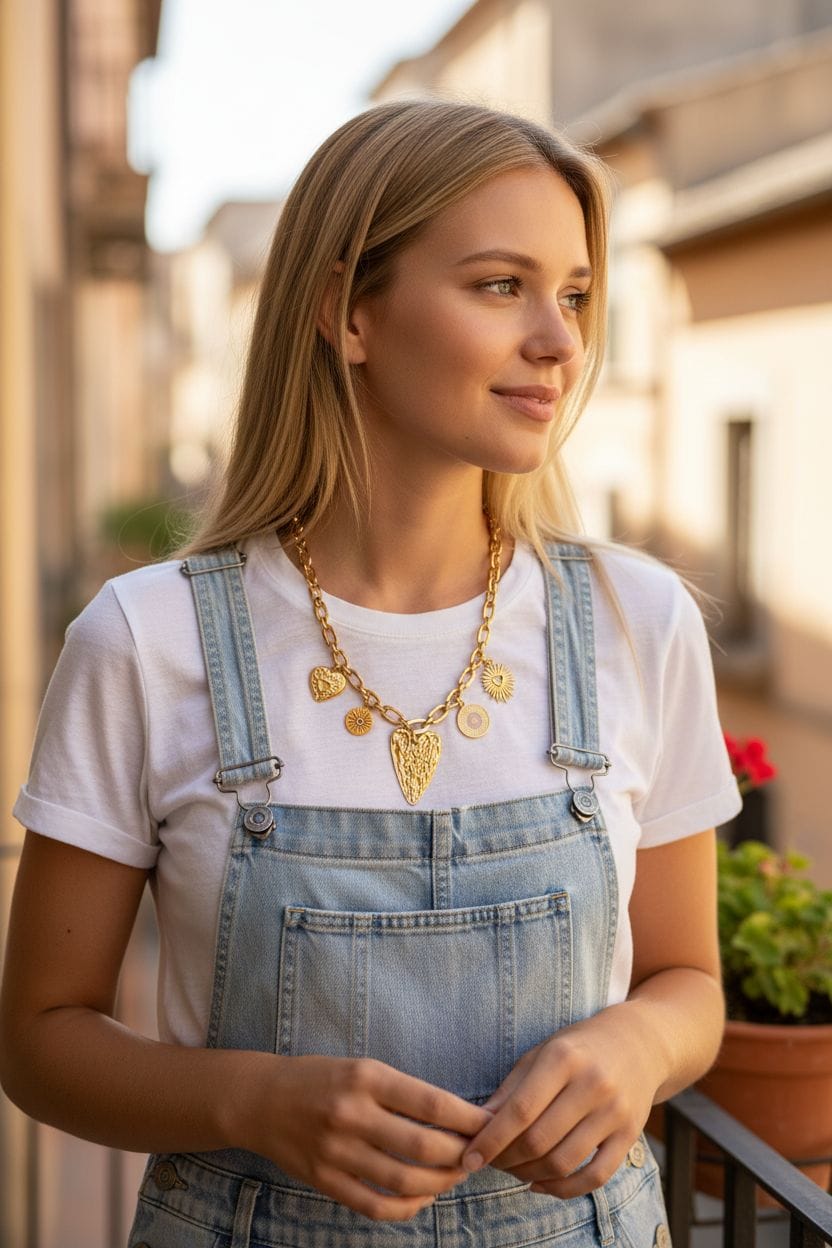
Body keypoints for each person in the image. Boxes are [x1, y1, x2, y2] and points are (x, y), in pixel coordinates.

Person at [0, 98, 742, 1246]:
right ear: (347, 312)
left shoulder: (636, 619)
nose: (559, 340)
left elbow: (690, 980)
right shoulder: (145, 642)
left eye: (577, 295)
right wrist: (249, 1100)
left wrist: (634, 1047)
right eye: (501, 286)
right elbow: (42, 1043)